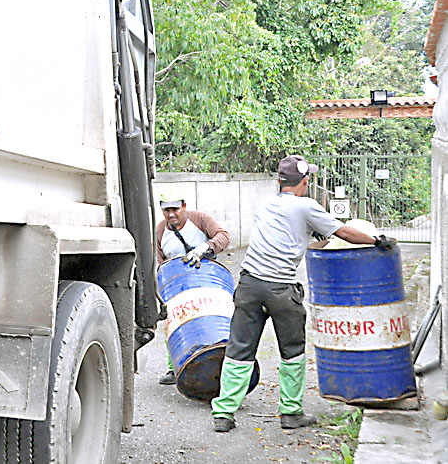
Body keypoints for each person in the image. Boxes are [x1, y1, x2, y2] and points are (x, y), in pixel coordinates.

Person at [210, 155, 396, 433]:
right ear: (306, 181)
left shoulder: (266, 205)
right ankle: (290, 412)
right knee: (293, 353)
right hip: (281, 290)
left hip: (248, 286)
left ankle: (224, 414)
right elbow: (344, 232)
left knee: (239, 349)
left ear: (279, 181)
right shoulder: (307, 207)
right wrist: (376, 241)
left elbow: (296, 238)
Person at [156, 196, 231, 385]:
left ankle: (222, 361)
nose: (171, 214)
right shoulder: (160, 230)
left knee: (209, 321)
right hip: (177, 286)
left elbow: (223, 236)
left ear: (184, 207)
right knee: (174, 324)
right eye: (167, 211)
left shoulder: (200, 220)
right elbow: (157, 260)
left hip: (205, 280)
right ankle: (176, 367)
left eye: (175, 209)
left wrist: (206, 247)